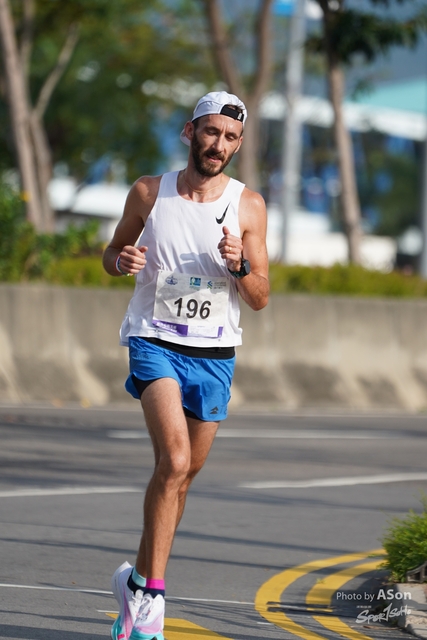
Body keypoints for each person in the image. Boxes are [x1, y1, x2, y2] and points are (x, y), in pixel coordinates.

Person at [102, 90, 269, 640]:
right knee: (172, 462)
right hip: (155, 340)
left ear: (238, 145)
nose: (218, 144)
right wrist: (122, 260)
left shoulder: (248, 205)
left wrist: (239, 265)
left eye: (230, 137)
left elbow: (261, 296)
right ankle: (151, 601)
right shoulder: (149, 192)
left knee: (183, 477)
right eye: (211, 132)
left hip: (215, 352)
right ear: (190, 131)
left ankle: (134, 584)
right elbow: (112, 253)